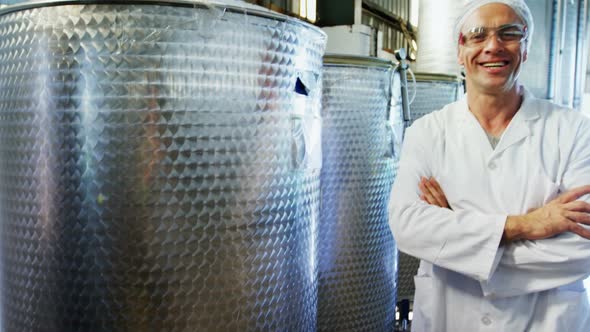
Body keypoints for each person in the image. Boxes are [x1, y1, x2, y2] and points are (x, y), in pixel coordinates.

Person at [388, 0, 590, 331]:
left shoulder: (575, 131)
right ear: (460, 49)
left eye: (509, 33)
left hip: (547, 321)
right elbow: (408, 226)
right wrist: (524, 225)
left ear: (524, 49)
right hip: (449, 317)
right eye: (478, 34)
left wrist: (455, 240)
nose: (493, 46)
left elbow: (582, 245)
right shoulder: (426, 132)